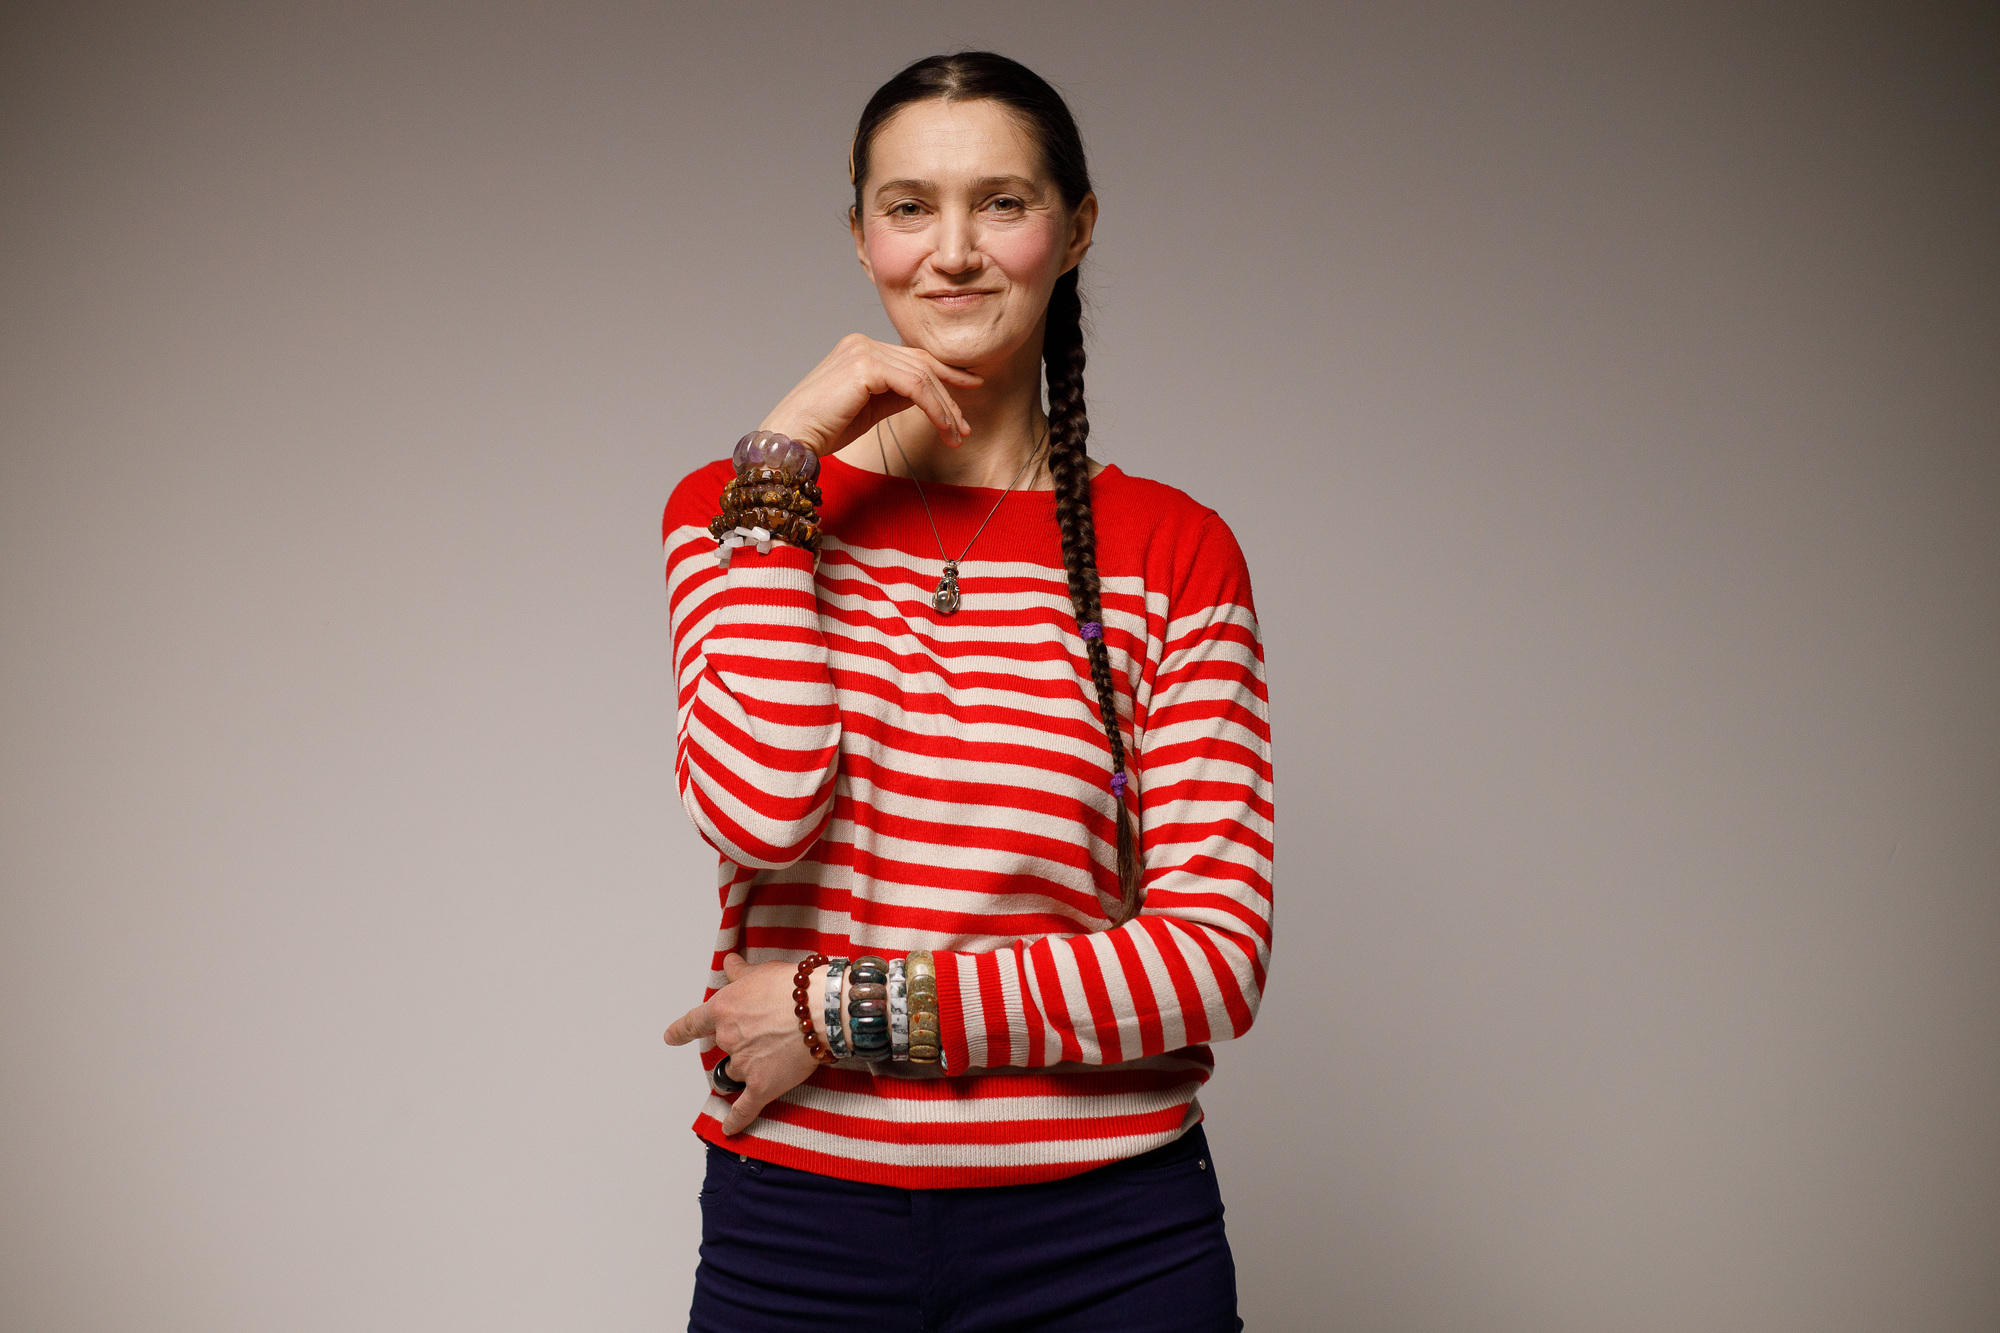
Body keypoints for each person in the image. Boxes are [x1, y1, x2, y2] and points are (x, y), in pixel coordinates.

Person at [659, 50, 1273, 1333]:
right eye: (908, 207)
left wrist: (843, 1010)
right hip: (799, 1227)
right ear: (860, 236)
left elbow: (1208, 963)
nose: (951, 251)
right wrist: (780, 460)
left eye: (1001, 203)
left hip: (1111, 1236)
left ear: (1075, 229)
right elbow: (760, 811)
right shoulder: (739, 513)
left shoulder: (1173, 550)